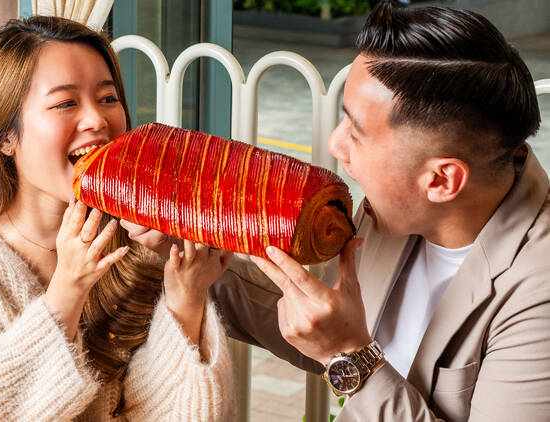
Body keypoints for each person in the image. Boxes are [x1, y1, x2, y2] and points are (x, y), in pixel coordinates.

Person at [123, 2, 550, 420]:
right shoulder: (398, 211)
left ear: (441, 180)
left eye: (356, 132)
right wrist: (191, 257)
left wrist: (348, 356)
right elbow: (318, 326)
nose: (334, 145)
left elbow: (341, 349)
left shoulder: (539, 294)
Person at [0, 16, 234, 421]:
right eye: (65, 103)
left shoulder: (138, 240)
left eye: (108, 98)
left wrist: (185, 295)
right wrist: (67, 292)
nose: (97, 120)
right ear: (6, 137)